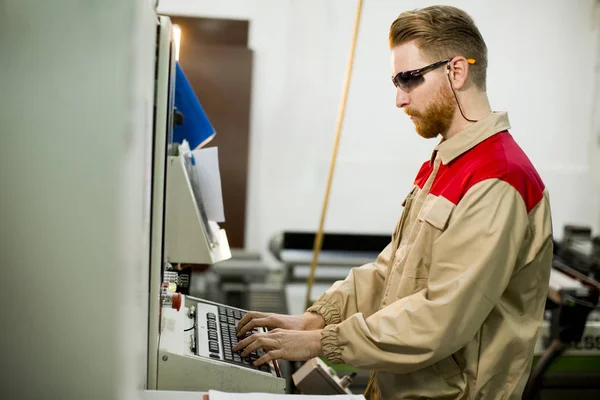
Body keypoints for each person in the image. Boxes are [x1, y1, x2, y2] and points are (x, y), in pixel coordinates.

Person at [233, 5, 553, 399]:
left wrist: (323, 343)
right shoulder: (445, 162)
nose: (399, 100)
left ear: (456, 71)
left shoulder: (499, 178)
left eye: (409, 79)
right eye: (395, 82)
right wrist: (315, 319)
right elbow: (392, 272)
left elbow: (441, 317)